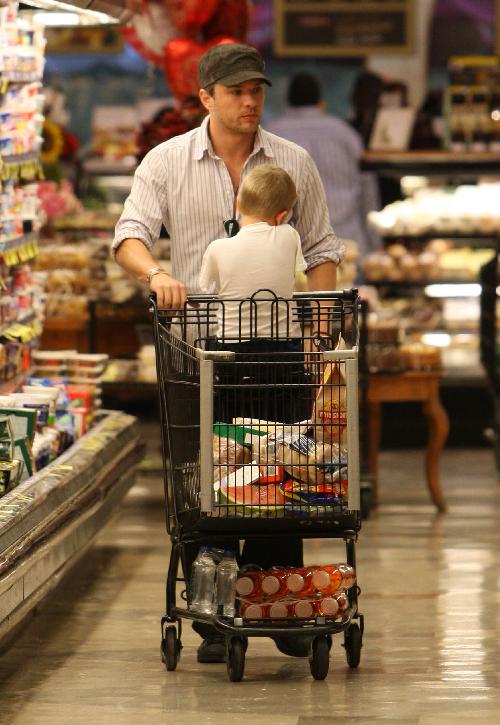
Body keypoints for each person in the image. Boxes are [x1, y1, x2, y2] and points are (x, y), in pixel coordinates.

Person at [113, 43, 344, 663]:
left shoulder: (293, 161)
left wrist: (319, 326)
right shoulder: (167, 162)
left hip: (277, 355)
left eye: (256, 90)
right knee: (205, 479)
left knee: (278, 475)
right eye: (237, 91)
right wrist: (156, 274)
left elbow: (321, 249)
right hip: (196, 352)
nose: (250, 101)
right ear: (206, 97)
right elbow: (129, 234)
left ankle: (274, 599)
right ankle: (214, 610)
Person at [268, 72, 381, 260]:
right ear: (320, 100)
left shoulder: (271, 134)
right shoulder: (345, 133)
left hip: (293, 246)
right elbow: (368, 190)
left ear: (288, 99)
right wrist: (376, 244)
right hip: (347, 240)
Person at [199, 163, 305, 340]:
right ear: (281, 216)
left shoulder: (217, 248)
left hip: (232, 344)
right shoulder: (290, 236)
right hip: (282, 345)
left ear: (238, 205)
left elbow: (205, 287)